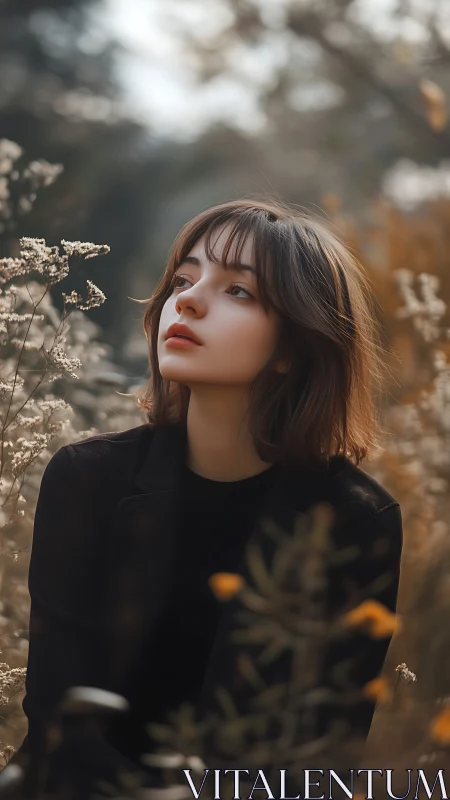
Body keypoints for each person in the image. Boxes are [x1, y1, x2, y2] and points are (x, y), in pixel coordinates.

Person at [6, 197, 403, 798]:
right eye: (183, 280)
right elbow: (59, 720)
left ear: (294, 347)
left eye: (238, 290)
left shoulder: (354, 519)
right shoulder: (87, 479)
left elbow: (320, 751)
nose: (187, 301)